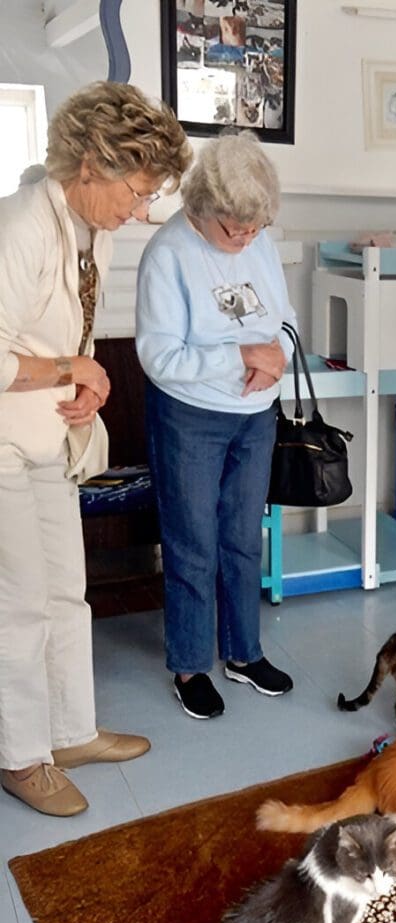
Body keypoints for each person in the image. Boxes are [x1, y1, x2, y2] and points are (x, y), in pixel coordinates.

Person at [0, 81, 191, 816]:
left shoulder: (93, 229)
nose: (140, 210)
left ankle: (69, 730)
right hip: (5, 442)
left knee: (64, 593)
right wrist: (66, 371)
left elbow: (65, 335)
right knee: (18, 606)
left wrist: (85, 385)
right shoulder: (20, 225)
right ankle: (21, 755)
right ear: (89, 164)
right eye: (136, 190)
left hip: (46, 431)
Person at [136, 132, 296, 721]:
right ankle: (188, 664)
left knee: (241, 538)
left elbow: (284, 317)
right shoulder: (168, 253)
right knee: (192, 544)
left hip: (256, 416)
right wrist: (241, 358)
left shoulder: (259, 238)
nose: (248, 238)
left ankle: (243, 654)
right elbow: (159, 358)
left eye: (256, 227)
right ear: (201, 209)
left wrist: (275, 351)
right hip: (190, 416)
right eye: (235, 229)